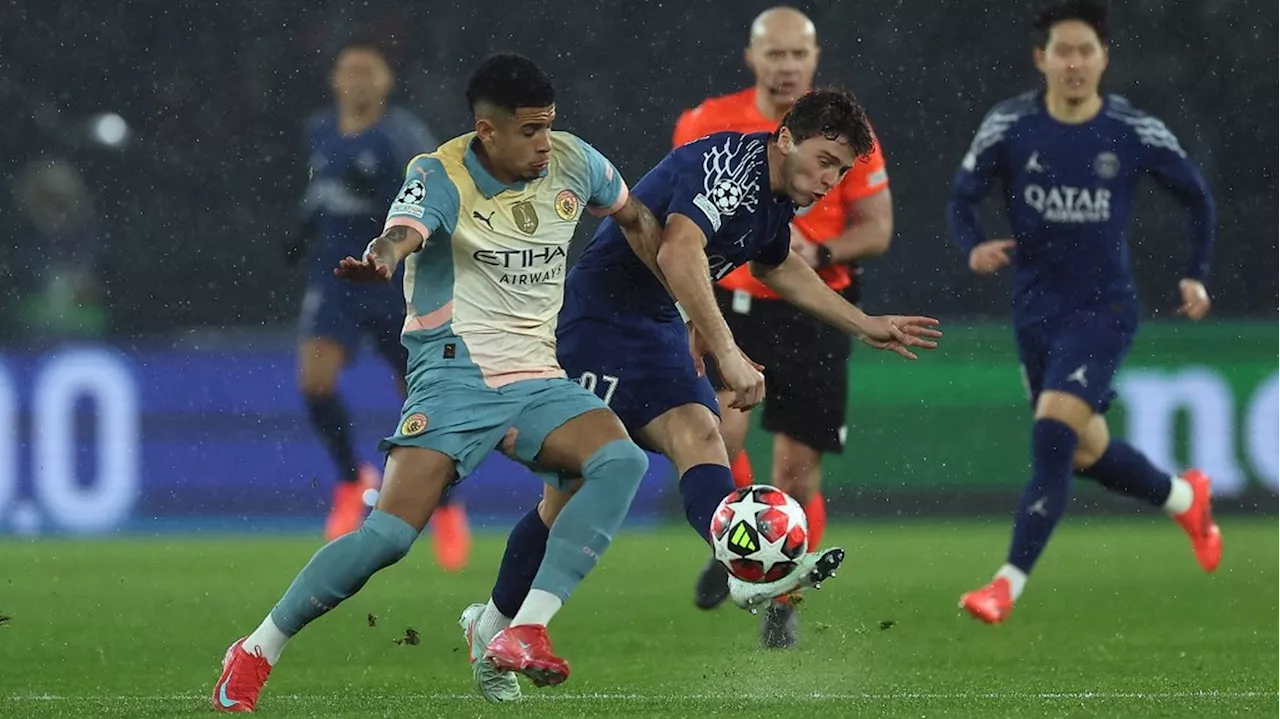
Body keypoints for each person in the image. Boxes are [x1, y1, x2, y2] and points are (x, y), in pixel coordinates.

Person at [211, 53, 665, 711]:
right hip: (453, 376)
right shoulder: (441, 171)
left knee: (618, 459)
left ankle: (519, 628)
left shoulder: (575, 163)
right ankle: (255, 648)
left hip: (538, 376)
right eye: (531, 130)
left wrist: (678, 301)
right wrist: (383, 257)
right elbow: (402, 231)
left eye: (550, 126)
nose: (546, 143)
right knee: (387, 538)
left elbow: (635, 216)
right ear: (489, 131)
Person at [460, 87, 940, 703]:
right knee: (571, 491)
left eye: (842, 171)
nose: (830, 180)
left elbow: (777, 265)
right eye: (825, 160)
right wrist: (728, 351)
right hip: (598, 321)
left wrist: (862, 322)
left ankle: (745, 573)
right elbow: (679, 251)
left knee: (701, 434)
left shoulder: (774, 199)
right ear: (787, 137)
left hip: (656, 325)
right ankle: (498, 628)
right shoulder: (732, 168)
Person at [946, 0, 1222, 625]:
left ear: (1104, 58)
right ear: (1041, 59)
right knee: (1081, 451)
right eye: (1062, 51)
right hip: (1035, 313)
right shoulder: (1009, 124)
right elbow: (961, 198)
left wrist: (1194, 275)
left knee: (1050, 435)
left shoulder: (1133, 130)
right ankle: (1184, 496)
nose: (1074, 62)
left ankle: (1005, 585)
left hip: (1104, 310)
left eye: (1086, 51)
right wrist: (973, 245)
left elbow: (1197, 199)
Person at [671, 7, 895, 638]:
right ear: (753, 59)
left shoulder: (844, 133)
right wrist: (694, 307)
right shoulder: (707, 122)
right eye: (776, 54)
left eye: (799, 54)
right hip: (734, 307)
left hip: (815, 310)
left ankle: (782, 605)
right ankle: (736, 539)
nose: (788, 65)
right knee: (718, 440)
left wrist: (819, 252)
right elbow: (684, 225)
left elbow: (877, 227)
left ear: (815, 59)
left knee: (797, 471)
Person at [286, 38, 470, 567]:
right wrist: (302, 230)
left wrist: (387, 192)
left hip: (392, 280)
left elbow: (437, 189)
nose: (360, 80)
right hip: (335, 277)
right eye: (351, 70)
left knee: (420, 400)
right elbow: (317, 188)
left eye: (370, 71)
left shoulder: (402, 134)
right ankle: (351, 481)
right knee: (315, 382)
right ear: (336, 80)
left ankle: (447, 507)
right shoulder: (318, 130)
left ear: (386, 83)